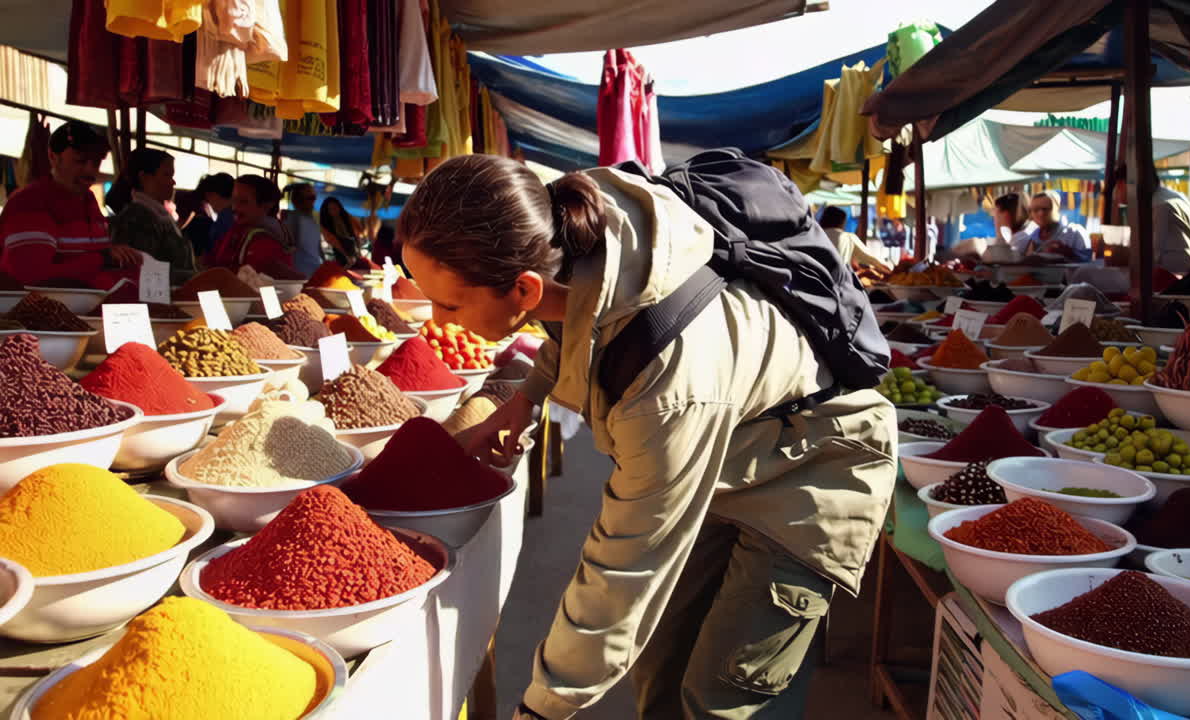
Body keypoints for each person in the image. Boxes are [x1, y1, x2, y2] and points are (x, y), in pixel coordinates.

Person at [397, 155, 895, 720]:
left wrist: (541, 707)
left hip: (813, 471)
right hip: (729, 453)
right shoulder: (580, 245)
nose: (437, 319)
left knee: (721, 697)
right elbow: (576, 328)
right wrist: (528, 395)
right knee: (662, 673)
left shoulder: (669, 384)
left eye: (450, 303)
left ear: (525, 288)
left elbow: (625, 567)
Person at [0, 120, 142, 287]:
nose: (90, 170)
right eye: (80, 161)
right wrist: (103, 258)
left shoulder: (89, 200)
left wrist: (118, 257)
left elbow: (92, 263)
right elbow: (32, 277)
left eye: (96, 162)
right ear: (53, 157)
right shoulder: (30, 203)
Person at [107, 148, 197, 277]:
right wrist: (194, 278)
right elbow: (145, 272)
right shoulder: (137, 219)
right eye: (167, 175)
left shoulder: (158, 216)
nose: (173, 182)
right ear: (144, 177)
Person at [1114, 164, 1190, 274]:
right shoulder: (1172, 196)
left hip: (1182, 274)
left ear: (1130, 184)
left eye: (1119, 186)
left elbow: (1154, 254)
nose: (1117, 191)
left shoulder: (1159, 205)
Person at [207, 175, 295, 276]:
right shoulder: (239, 229)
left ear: (266, 205)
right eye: (234, 201)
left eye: (243, 202)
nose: (235, 208)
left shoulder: (267, 240)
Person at [1015, 191, 1091, 261]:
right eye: (1036, 210)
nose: (1041, 213)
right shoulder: (1028, 238)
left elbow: (1088, 262)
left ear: (1057, 208)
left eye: (1045, 209)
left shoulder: (1075, 233)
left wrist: (1070, 253)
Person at [818, 206, 890, 273]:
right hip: (837, 279)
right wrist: (887, 270)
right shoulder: (847, 237)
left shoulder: (815, 235)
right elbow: (871, 259)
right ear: (842, 222)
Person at [183, 173, 235, 258]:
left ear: (211, 194)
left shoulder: (222, 221)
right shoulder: (238, 217)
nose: (209, 205)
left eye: (207, 200)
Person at [283, 183, 325, 276]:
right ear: (297, 200)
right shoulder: (292, 218)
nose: (313, 201)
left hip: (312, 270)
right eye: (310, 198)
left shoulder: (312, 220)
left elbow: (318, 247)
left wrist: (325, 263)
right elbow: (289, 246)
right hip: (299, 272)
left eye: (314, 197)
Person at [318, 197, 364, 267]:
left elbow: (358, 232)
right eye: (330, 209)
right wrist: (346, 256)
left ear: (339, 207)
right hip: (340, 254)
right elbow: (333, 241)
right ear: (327, 211)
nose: (334, 210)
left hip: (354, 250)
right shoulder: (325, 224)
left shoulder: (347, 217)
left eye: (335, 207)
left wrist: (359, 249)